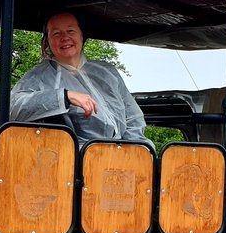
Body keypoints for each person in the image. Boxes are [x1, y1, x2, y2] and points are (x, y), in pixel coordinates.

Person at [10, 12, 147, 143]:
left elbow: (133, 118)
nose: (65, 38)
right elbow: (13, 108)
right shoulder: (39, 76)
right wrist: (64, 96)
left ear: (82, 35)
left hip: (120, 152)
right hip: (71, 154)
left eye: (70, 31)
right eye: (56, 33)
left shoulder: (107, 72)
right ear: (47, 41)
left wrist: (135, 149)